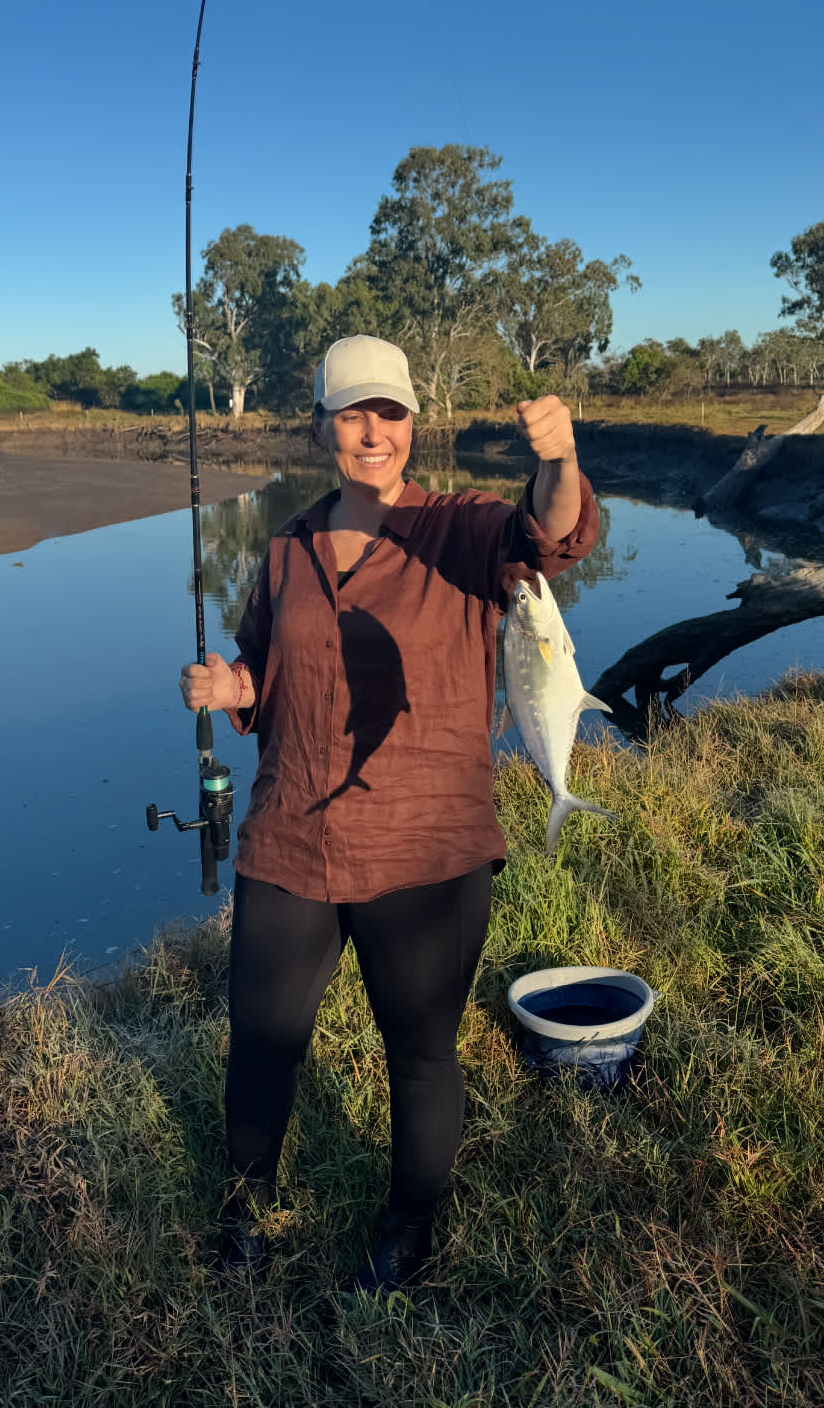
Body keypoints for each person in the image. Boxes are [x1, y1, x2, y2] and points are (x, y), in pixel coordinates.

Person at [178, 335, 600, 1290]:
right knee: (262, 1040)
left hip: (427, 852)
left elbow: (552, 535)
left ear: (415, 421)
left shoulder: (461, 528)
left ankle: (408, 1225)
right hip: (291, 838)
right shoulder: (286, 545)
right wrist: (228, 681)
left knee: (419, 1049)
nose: (373, 433)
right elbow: (266, 671)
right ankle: (244, 1212)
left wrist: (560, 459)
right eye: (353, 414)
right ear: (324, 423)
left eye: (391, 414)